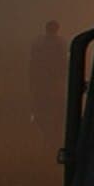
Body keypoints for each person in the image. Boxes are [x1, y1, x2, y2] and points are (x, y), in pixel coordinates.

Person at [29, 19, 65, 152]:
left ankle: (47, 138)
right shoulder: (60, 43)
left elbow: (33, 64)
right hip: (54, 84)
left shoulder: (39, 44)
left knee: (42, 111)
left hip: (43, 84)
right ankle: (52, 138)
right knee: (55, 112)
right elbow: (63, 64)